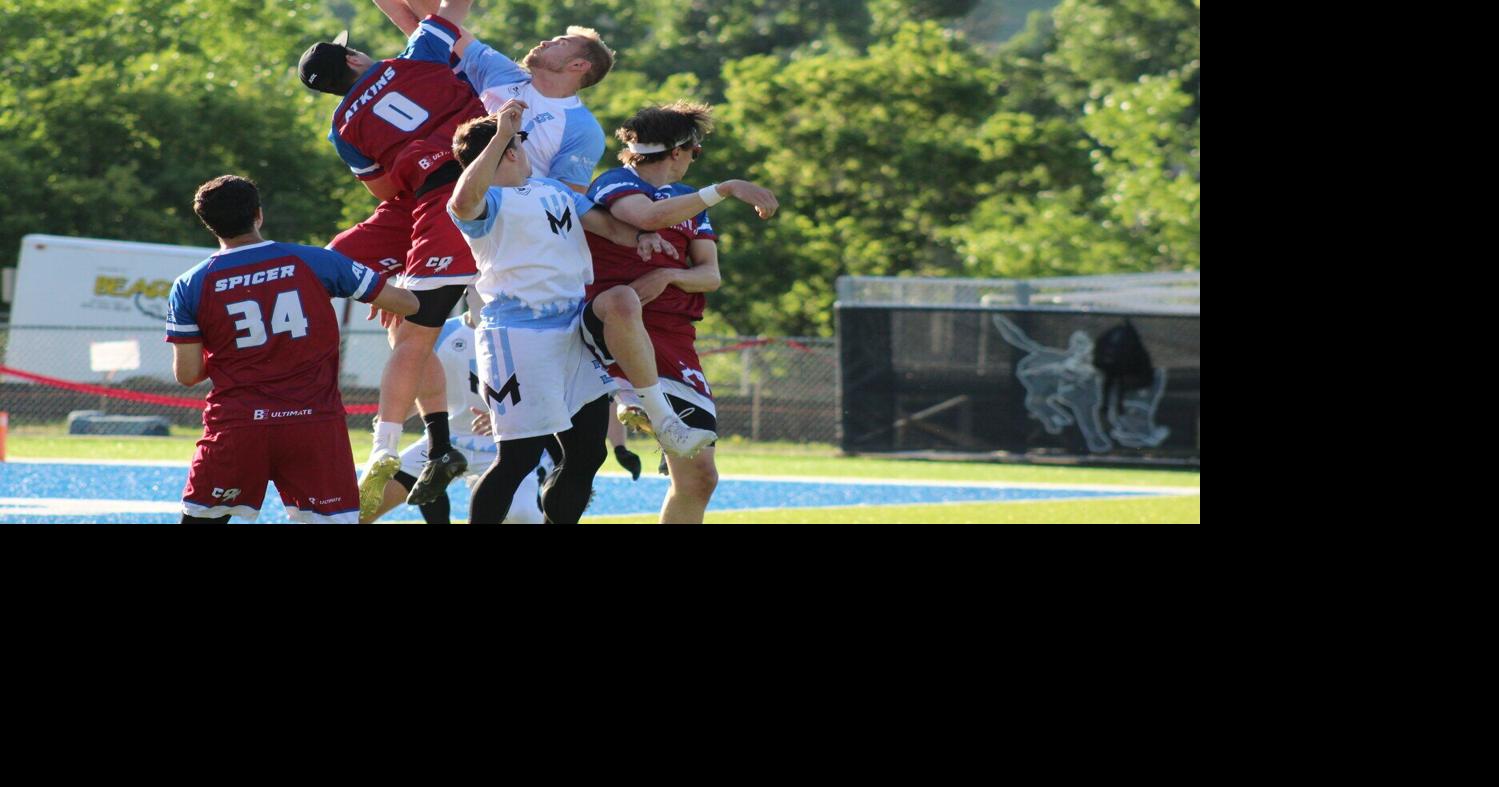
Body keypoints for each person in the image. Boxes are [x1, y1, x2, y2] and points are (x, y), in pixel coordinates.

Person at [447, 102, 717, 523]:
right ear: (512, 150)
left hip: (573, 334)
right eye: (519, 141)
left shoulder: (554, 191)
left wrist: (643, 240)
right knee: (517, 458)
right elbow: (464, 201)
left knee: (588, 452)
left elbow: (610, 229)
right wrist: (501, 133)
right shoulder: (486, 202)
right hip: (518, 337)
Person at [298, 2, 487, 521]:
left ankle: (419, 442)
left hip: (425, 197)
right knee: (415, 334)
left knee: (336, 263)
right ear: (354, 60)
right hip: (474, 179)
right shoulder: (415, 55)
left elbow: (385, 190)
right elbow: (452, 9)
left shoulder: (342, 125)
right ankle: (391, 447)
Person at [166, 175, 419, 524]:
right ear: (258, 214)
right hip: (313, 425)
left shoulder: (191, 283)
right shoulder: (316, 261)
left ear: (208, 225)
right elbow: (408, 304)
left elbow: (188, 373)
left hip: (238, 426)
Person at [585, 101, 778, 523]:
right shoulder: (615, 181)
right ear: (679, 151)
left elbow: (709, 276)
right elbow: (647, 216)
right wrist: (725, 188)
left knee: (699, 479)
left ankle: (643, 405)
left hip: (677, 338)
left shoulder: (690, 202)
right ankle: (634, 399)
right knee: (623, 301)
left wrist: (669, 275)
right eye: (696, 151)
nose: (695, 160)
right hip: (616, 323)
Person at [373, 0, 612, 193]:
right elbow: (437, 23)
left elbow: (566, 199)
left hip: (503, 224)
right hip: (449, 188)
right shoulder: (507, 74)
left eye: (559, 43)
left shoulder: (584, 129)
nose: (545, 41)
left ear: (579, 65)